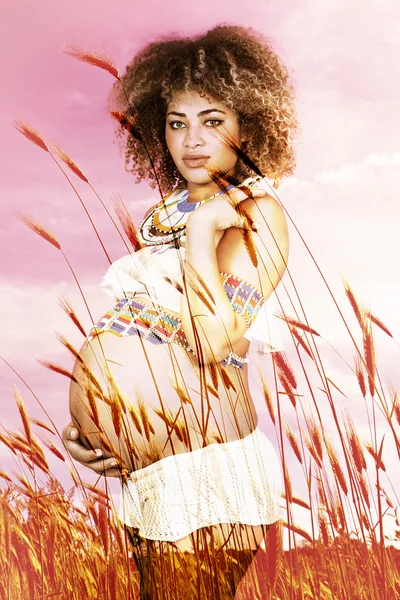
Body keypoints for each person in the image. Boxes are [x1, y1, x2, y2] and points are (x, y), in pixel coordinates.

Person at [62, 23, 298, 599]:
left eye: (213, 120)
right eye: (176, 122)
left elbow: (213, 340)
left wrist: (199, 236)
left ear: (250, 123)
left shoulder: (254, 212)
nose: (192, 140)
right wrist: (97, 431)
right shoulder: (169, 216)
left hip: (210, 477)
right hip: (151, 477)